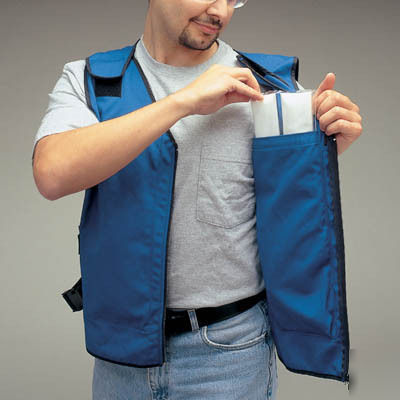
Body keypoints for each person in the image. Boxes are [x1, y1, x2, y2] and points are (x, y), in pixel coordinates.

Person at [32, 0, 363, 398]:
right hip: (122, 356)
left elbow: (291, 201)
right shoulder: (92, 79)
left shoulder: (271, 90)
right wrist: (183, 102)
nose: (220, 12)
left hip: (231, 354)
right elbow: (51, 174)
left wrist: (326, 147)